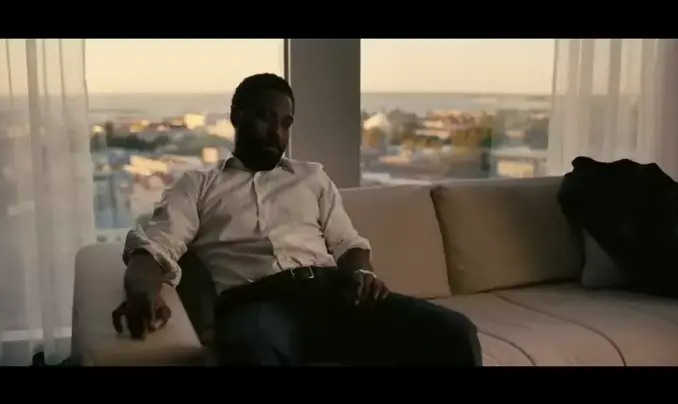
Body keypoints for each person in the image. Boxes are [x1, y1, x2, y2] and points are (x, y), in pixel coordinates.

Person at [112, 73, 482, 366]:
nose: (277, 132)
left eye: (286, 122)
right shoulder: (198, 185)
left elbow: (348, 243)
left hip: (333, 294)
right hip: (258, 306)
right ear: (237, 116)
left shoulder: (312, 177)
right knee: (251, 350)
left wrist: (361, 273)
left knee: (455, 333)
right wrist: (143, 292)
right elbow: (155, 247)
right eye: (265, 118)